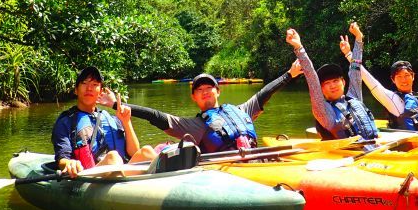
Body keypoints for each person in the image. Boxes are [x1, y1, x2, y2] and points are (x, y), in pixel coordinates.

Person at [123, 61, 302, 153]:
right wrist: (118, 104)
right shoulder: (194, 125)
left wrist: (290, 75)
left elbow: (265, 93)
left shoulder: (241, 110)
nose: (205, 91)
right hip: (225, 168)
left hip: (254, 158)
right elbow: (155, 116)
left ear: (218, 91)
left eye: (209, 87)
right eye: (199, 89)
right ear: (193, 97)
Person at [51, 66, 157, 178]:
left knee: (147, 151)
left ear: (100, 92)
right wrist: (69, 163)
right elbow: (62, 158)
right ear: (76, 90)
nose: (89, 88)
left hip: (122, 173)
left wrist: (126, 122)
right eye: (84, 83)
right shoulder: (66, 121)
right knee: (113, 157)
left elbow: (134, 152)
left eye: (95, 84)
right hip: (90, 176)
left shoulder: (112, 119)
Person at [285, 23, 379, 141]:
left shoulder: (354, 97)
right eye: (327, 83)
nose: (332, 85)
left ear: (343, 82)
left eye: (335, 81)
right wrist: (299, 47)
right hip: (351, 156)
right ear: (321, 89)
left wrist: (358, 38)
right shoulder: (324, 112)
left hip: (375, 146)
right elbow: (312, 78)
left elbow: (355, 69)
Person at [357, 27, 418, 131]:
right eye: (399, 77)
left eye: (407, 75)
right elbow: (368, 79)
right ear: (393, 80)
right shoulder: (392, 99)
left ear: (413, 76)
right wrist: (350, 54)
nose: (403, 80)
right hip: (408, 144)